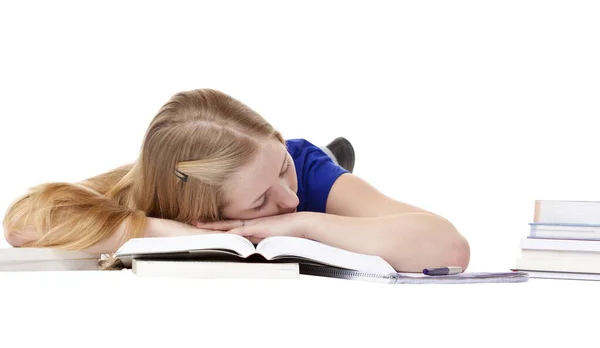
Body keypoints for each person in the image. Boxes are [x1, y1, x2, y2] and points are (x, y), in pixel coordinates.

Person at [2, 88, 469, 272]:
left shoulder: (303, 170)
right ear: (201, 213)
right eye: (260, 199)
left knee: (319, 164)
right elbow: (22, 224)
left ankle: (334, 154)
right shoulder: (153, 191)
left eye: (279, 166)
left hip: (318, 162)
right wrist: (165, 232)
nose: (287, 198)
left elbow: (448, 248)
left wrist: (303, 223)